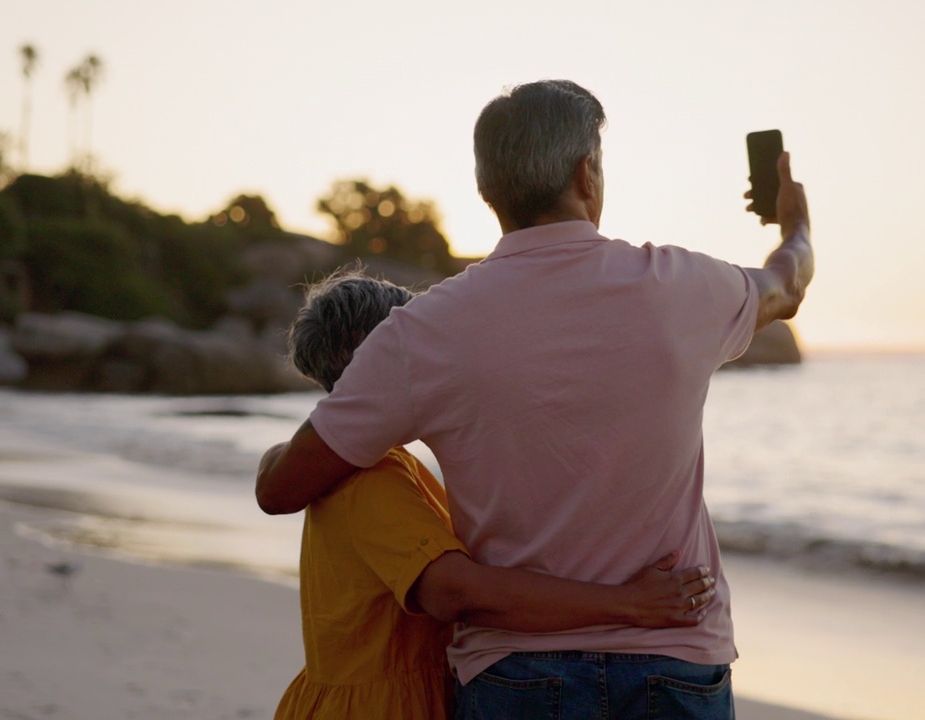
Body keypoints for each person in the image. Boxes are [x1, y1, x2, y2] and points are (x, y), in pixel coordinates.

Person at [256, 79, 813, 719]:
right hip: (676, 656)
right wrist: (794, 222)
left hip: (514, 674)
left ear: (488, 189)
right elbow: (788, 280)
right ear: (587, 172)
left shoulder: (422, 332)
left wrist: (288, 445)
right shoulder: (683, 287)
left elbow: (282, 490)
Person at [272, 271, 718, 720]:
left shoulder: (359, 465)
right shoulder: (371, 481)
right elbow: (452, 592)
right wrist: (630, 604)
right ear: (378, 356)